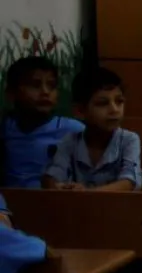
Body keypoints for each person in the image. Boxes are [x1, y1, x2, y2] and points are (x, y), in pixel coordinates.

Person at [42, 66, 142, 191]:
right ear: (79, 111)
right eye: (102, 103)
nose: (114, 110)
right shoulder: (70, 141)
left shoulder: (129, 140)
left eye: (119, 101)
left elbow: (128, 183)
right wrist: (58, 187)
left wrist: (87, 193)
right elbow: (52, 177)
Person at [1, 55, 84, 188]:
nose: (45, 92)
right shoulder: (5, 128)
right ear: (11, 93)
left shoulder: (73, 130)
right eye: (35, 85)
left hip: (55, 203)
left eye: (51, 86)